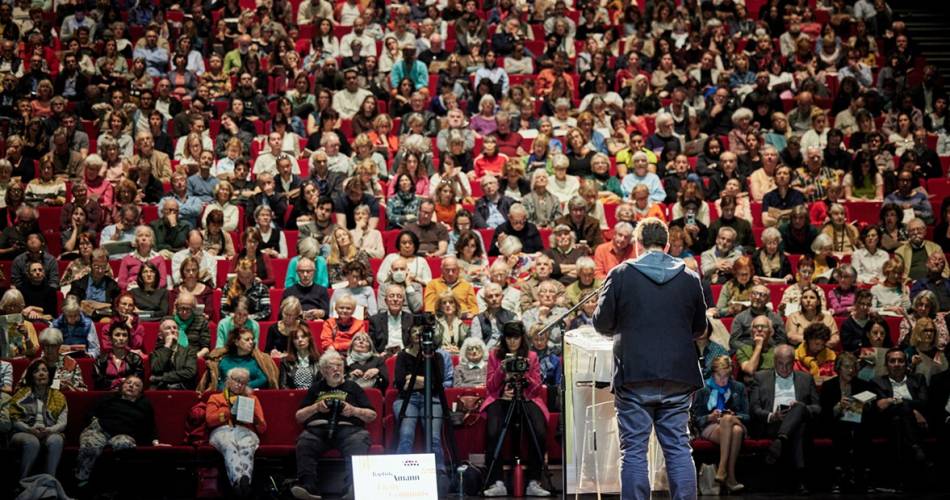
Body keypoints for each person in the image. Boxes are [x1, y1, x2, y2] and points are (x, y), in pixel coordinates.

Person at [592, 217, 707, 500]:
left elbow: (602, 324)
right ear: (667, 245)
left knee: (633, 450)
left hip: (634, 375)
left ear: (638, 245)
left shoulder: (620, 274)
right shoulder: (690, 277)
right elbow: (699, 328)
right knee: (679, 448)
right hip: (678, 377)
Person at [291, 349, 377, 500]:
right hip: (318, 431)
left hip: (349, 431)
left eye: (339, 365)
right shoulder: (316, 388)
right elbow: (299, 416)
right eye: (332, 366)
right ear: (324, 371)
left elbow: (372, 415)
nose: (337, 369)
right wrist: (316, 407)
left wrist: (353, 410)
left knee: (359, 441)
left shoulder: (353, 387)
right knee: (305, 441)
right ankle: (308, 487)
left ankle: (353, 487)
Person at [480, 322, 550, 497]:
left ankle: (534, 480)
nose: (512, 342)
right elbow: (490, 387)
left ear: (521, 338)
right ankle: (496, 481)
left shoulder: (531, 356)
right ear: (504, 338)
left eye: (516, 338)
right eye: (509, 338)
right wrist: (502, 370)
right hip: (500, 398)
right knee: (493, 431)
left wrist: (524, 373)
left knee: (539, 431)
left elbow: (537, 388)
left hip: (527, 398)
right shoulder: (494, 355)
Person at [749, 344, 821, 494]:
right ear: (774, 362)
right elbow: (754, 408)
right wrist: (771, 416)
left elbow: (817, 407)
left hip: (800, 422)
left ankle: (780, 441)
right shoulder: (760, 377)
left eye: (788, 364)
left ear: (794, 362)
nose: (785, 368)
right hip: (772, 423)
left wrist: (801, 409)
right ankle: (800, 480)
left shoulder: (806, 378)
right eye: (780, 364)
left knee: (799, 411)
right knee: (797, 428)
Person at [74, 375, 161, 486]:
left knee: (124, 445)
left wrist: (155, 442)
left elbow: (150, 426)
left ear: (140, 392)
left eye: (136, 385)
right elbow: (90, 413)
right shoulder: (108, 398)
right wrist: (94, 421)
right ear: (122, 386)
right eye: (128, 383)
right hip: (100, 430)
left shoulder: (145, 405)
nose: (131, 386)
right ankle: (82, 481)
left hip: (124, 434)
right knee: (90, 445)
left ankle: (115, 483)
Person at [393, 322, 448, 473]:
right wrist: (427, 381)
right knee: (406, 434)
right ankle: (401, 473)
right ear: (409, 336)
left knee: (434, 437)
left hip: (432, 399)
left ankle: (438, 473)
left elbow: (437, 384)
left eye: (421, 331)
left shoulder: (437, 357)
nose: (418, 334)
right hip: (407, 399)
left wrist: (412, 380)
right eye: (414, 331)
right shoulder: (402, 356)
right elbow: (400, 383)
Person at [206, 367, 267, 498]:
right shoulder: (216, 397)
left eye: (243, 382)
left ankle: (240, 485)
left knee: (247, 446)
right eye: (237, 381)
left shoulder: (252, 399)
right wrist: (229, 411)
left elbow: (262, 428)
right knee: (229, 445)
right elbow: (210, 421)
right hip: (222, 430)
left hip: (245, 430)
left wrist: (254, 418)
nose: (240, 385)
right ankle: (242, 482)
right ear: (228, 381)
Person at [691, 355, 749, 493]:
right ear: (713, 373)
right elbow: (695, 419)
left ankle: (723, 470)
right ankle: (730, 477)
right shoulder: (703, 389)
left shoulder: (738, 388)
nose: (723, 381)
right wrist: (710, 417)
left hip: (733, 424)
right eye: (719, 376)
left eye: (726, 377)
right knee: (733, 427)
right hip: (709, 427)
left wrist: (734, 416)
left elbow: (747, 416)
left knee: (732, 424)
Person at [870, 348, 932, 473]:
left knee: (899, 420)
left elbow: (923, 402)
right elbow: (881, 407)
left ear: (906, 363)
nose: (897, 364)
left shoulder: (918, 379)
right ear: (886, 365)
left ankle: (899, 474)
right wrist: (913, 412)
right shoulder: (877, 382)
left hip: (915, 424)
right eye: (892, 361)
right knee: (897, 419)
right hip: (887, 424)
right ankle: (916, 448)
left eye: (901, 361)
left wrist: (894, 401)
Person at [819, 352, 873, 493]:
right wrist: (838, 407)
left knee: (860, 429)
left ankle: (858, 475)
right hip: (834, 425)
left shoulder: (863, 385)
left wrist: (865, 406)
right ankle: (842, 475)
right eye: (847, 367)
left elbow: (870, 410)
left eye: (854, 367)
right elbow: (824, 415)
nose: (851, 371)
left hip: (858, 424)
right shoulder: (829, 386)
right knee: (842, 428)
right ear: (838, 368)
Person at [9, 359, 67, 479]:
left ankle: (50, 481)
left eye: (44, 370)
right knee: (32, 442)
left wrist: (49, 430)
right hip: (23, 432)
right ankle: (22, 481)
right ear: (31, 376)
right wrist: (29, 430)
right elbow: (14, 420)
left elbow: (63, 423)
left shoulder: (59, 396)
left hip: (49, 431)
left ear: (49, 375)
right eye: (36, 371)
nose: (41, 373)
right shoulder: (21, 394)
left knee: (56, 440)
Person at [150, 319, 198, 389]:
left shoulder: (189, 351)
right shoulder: (156, 353)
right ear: (160, 336)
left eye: (175, 328)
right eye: (168, 328)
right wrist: (167, 346)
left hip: (182, 389)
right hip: (162, 389)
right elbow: (157, 369)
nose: (173, 330)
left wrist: (162, 377)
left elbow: (190, 372)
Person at [278, 324, 321, 390]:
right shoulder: (285, 362)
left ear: (309, 339)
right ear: (292, 342)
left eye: (303, 337)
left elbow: (323, 383)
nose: (300, 340)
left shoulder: (320, 360)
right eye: (296, 338)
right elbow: (283, 385)